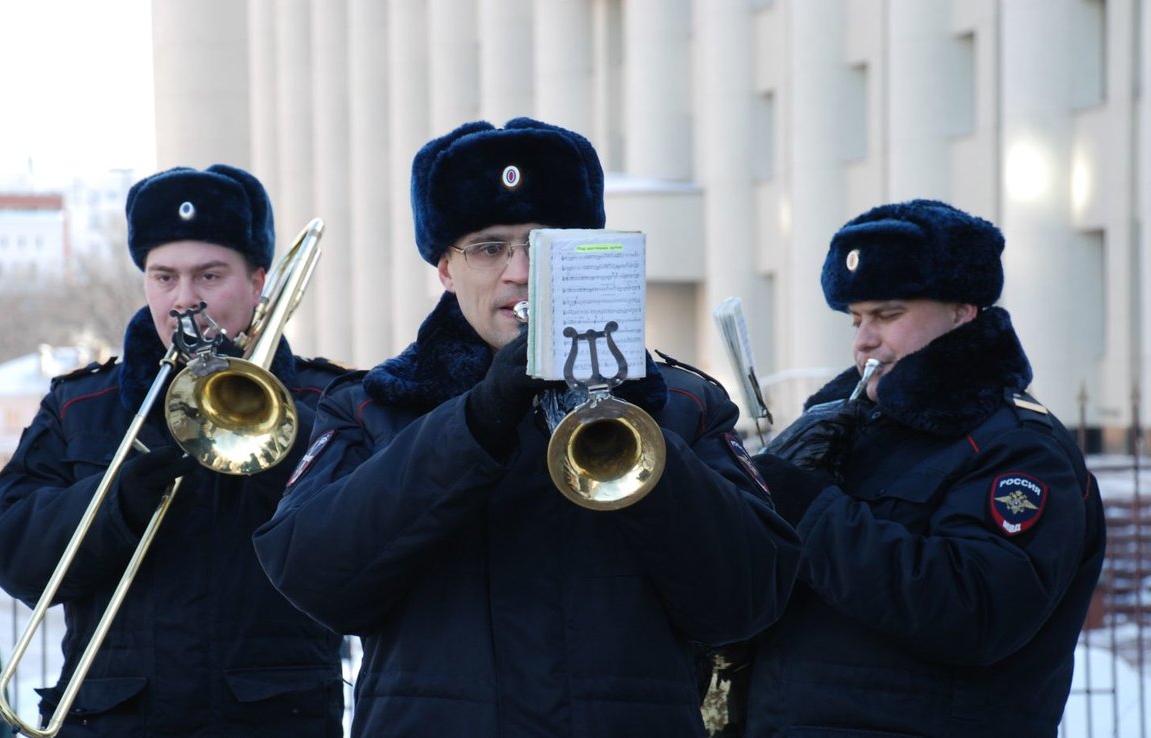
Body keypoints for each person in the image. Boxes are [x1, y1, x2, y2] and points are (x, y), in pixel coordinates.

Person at [252, 117, 801, 738]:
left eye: (543, 246)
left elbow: (749, 601)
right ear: (444, 269)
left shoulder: (680, 401)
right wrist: (476, 420)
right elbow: (314, 580)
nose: (519, 272)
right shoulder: (371, 406)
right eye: (488, 248)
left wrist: (635, 433)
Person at [0, 164, 346, 737]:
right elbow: (5, 549)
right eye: (163, 277)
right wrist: (116, 502)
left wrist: (278, 438)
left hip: (271, 719)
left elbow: (362, 541)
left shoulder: (328, 401)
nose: (184, 300)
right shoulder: (82, 405)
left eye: (210, 276)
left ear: (259, 282)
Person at [739, 199, 1106, 737]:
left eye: (888, 315)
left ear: (962, 311)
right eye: (857, 318)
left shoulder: (1020, 448)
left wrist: (808, 510)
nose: (864, 338)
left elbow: (975, 612)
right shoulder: (846, 429)